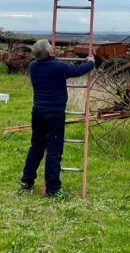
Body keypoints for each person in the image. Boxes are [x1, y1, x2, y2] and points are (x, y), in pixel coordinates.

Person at [20, 39, 95, 197]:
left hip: (38, 111)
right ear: (50, 52)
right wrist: (91, 62)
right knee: (54, 151)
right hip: (54, 113)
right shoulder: (57, 67)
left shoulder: (32, 66)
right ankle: (53, 190)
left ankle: (26, 181)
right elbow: (77, 70)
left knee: (36, 147)